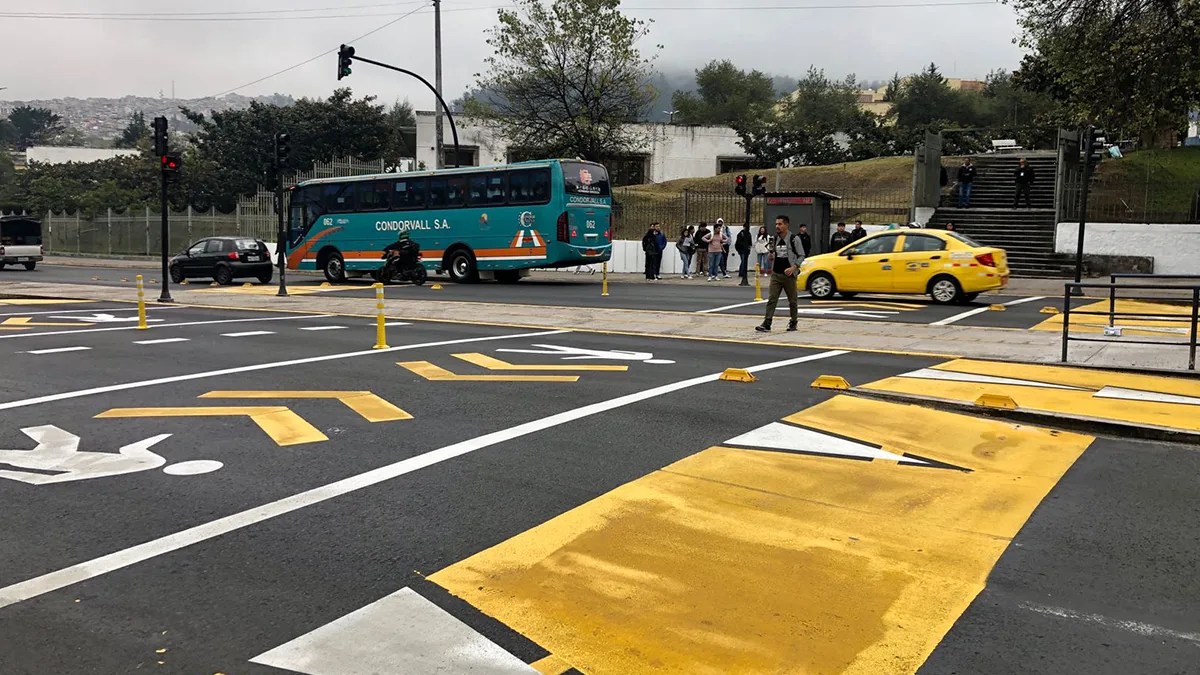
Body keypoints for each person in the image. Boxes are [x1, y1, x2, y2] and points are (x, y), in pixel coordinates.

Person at [757, 214, 805, 332]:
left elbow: (802, 255)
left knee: (792, 300)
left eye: (780, 224)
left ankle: (793, 322)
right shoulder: (774, 239)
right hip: (776, 274)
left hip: (789, 275)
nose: (777, 226)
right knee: (772, 298)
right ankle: (767, 322)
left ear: (786, 225)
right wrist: (771, 256)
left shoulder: (794, 239)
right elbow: (772, 255)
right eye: (776, 224)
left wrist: (793, 268)